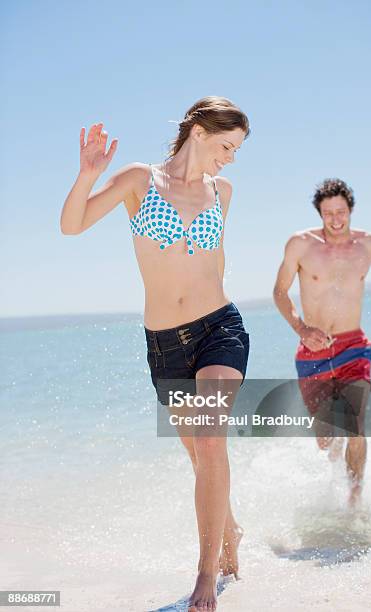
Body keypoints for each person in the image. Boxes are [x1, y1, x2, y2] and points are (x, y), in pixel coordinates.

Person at [60, 96, 250, 611]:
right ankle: (230, 528)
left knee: (210, 443)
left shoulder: (221, 190)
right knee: (198, 456)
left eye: (237, 150)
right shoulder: (140, 180)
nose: (230, 158)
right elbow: (72, 225)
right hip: (165, 345)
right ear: (200, 131)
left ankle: (205, 575)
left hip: (219, 329)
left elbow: (218, 260)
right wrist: (87, 173)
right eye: (227, 146)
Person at [273, 178, 371, 506]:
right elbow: (280, 291)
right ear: (320, 213)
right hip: (312, 349)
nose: (336, 219)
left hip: (353, 344)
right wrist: (301, 329)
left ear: (350, 209)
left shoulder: (369, 244)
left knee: (356, 424)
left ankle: (355, 499)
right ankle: (334, 451)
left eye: (341, 211)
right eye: (328, 213)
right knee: (326, 440)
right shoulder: (300, 244)